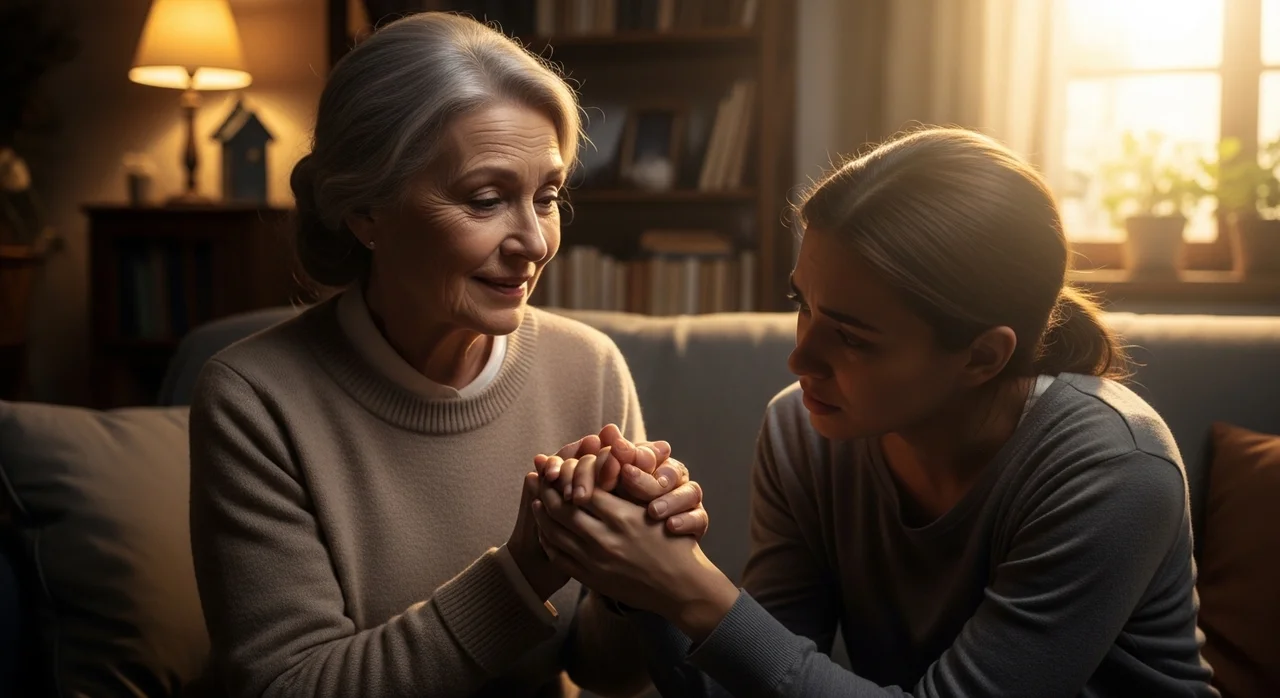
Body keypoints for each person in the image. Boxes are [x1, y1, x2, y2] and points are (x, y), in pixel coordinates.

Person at [531, 128, 1220, 697]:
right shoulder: (805, 431)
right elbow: (753, 685)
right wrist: (642, 563)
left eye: (854, 337)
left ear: (983, 357)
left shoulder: (1114, 469)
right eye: (803, 305)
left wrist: (695, 591)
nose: (802, 360)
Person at [187, 12, 708, 698]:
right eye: (488, 200)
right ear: (367, 210)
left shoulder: (589, 366)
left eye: (546, 198)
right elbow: (289, 686)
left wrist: (639, 582)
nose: (534, 241)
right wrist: (524, 571)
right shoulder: (252, 397)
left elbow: (601, 673)